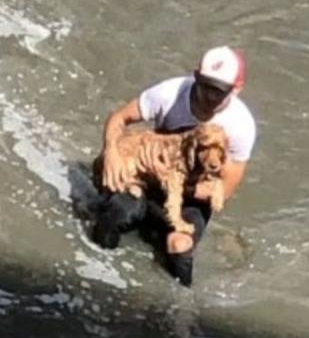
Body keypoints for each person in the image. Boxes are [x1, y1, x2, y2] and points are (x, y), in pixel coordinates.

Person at [92, 46, 257, 286]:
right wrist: (111, 152)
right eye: (204, 84)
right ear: (196, 75)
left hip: (189, 195)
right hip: (144, 178)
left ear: (236, 89)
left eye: (218, 90)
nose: (207, 95)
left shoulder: (241, 125)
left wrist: (180, 186)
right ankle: (96, 278)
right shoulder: (170, 93)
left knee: (179, 247)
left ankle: (179, 307)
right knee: (117, 215)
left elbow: (223, 190)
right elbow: (119, 118)